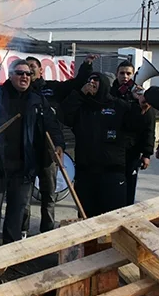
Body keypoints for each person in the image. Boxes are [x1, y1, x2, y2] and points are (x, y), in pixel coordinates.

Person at [0, 59, 64, 250]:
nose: (24, 77)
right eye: (20, 73)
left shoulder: (37, 101)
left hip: (25, 166)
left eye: (28, 74)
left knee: (17, 211)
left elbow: (52, 126)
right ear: (11, 75)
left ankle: (10, 251)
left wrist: (58, 145)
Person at [21, 54, 96, 234]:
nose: (30, 69)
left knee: (49, 193)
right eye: (27, 66)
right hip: (28, 150)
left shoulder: (53, 88)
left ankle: (47, 230)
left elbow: (77, 82)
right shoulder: (21, 92)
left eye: (33, 66)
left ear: (40, 70)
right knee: (24, 195)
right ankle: (22, 229)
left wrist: (86, 66)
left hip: (49, 149)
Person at [62, 71, 145, 217]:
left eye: (96, 80)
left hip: (112, 171)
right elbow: (63, 116)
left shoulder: (118, 105)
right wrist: (79, 94)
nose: (92, 83)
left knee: (112, 216)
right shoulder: (82, 106)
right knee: (87, 216)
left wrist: (141, 105)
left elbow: (137, 125)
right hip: (85, 172)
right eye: (89, 80)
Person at [110, 60, 155, 205]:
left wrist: (147, 153)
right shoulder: (110, 93)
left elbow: (149, 126)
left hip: (132, 150)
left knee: (129, 185)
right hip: (112, 147)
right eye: (122, 73)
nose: (125, 76)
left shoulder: (140, 96)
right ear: (116, 74)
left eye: (128, 73)